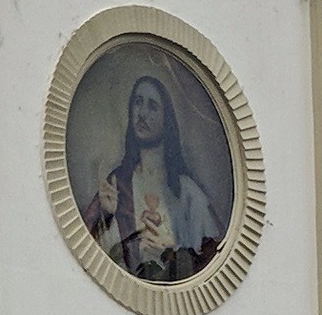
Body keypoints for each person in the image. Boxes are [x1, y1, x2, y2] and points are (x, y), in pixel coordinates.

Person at [83, 71, 225, 283]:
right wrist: (106, 216)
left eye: (152, 106)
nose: (142, 113)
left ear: (166, 119)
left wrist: (172, 252)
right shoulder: (117, 184)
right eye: (138, 103)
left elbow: (213, 259)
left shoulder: (188, 193)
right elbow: (85, 255)